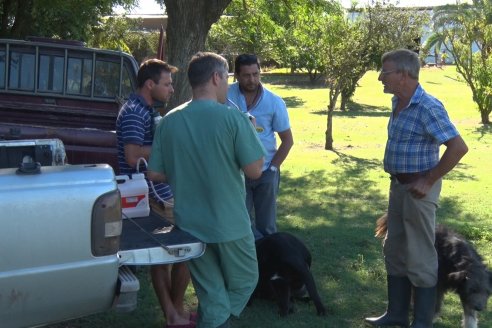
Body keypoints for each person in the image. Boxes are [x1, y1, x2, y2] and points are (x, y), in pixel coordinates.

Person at [147, 52, 265, 328]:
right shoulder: (234, 119)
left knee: (210, 290)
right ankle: (218, 319)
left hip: (190, 223)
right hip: (230, 223)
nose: (228, 85)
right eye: (227, 78)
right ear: (216, 77)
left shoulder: (169, 120)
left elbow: (154, 172)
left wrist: (184, 170)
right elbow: (255, 170)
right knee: (247, 280)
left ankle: (213, 319)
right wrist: (249, 130)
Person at [365, 49, 468, 328]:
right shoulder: (398, 101)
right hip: (399, 186)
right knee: (394, 248)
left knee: (421, 253)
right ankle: (396, 314)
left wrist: (429, 180)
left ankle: (423, 321)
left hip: (420, 189)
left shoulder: (427, 107)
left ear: (403, 74)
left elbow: (458, 147)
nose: (379, 77)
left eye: (385, 72)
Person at [116, 59, 194, 328]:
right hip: (151, 195)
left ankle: (176, 312)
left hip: (161, 191)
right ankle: (174, 315)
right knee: (168, 255)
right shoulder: (136, 113)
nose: (172, 89)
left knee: (177, 253)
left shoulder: (145, 110)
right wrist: (167, 145)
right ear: (150, 85)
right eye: (167, 84)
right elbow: (132, 155)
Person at [227, 53, 294, 240]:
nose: (252, 79)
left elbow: (287, 140)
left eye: (256, 74)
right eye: (247, 75)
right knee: (240, 222)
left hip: (266, 171)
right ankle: (248, 260)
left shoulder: (274, 101)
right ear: (237, 76)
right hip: (236, 172)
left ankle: (269, 264)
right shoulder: (225, 96)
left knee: (267, 225)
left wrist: (273, 168)